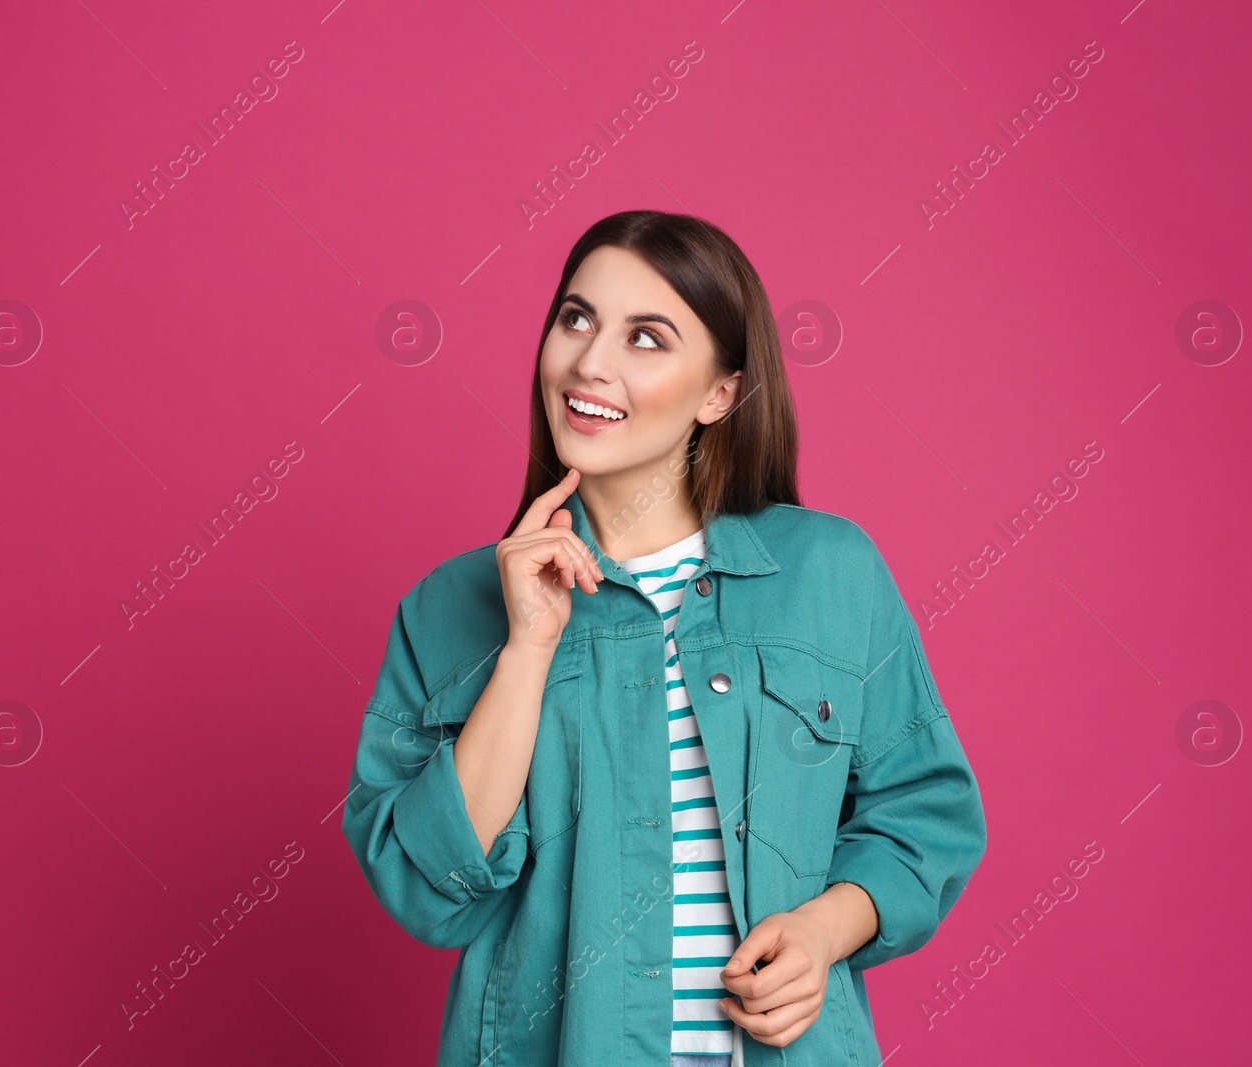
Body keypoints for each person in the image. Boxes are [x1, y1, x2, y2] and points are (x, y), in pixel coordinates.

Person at [342, 210, 988, 1066]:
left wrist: (826, 928)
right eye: (577, 318)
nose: (590, 362)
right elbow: (430, 892)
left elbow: (928, 814)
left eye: (646, 337)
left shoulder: (831, 572)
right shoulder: (450, 608)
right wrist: (527, 650)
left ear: (720, 392)